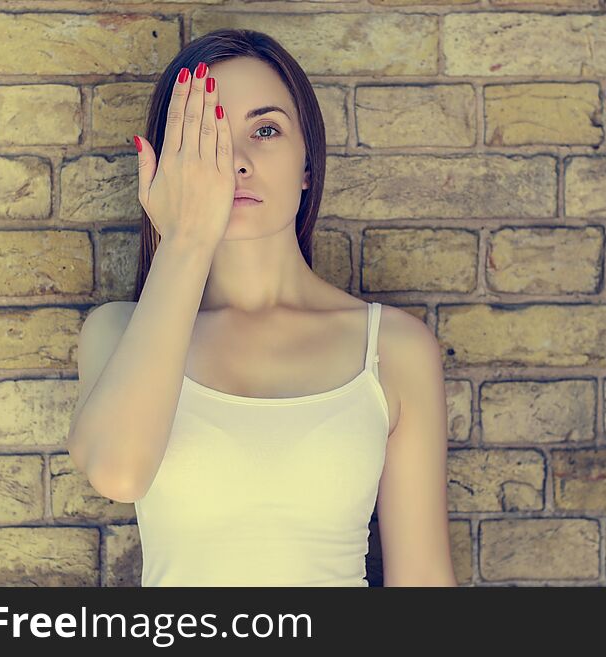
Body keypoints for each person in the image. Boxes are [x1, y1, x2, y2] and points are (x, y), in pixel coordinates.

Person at [67, 29, 457, 587]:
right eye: (208, 139)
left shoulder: (393, 348)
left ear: (307, 164)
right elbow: (119, 473)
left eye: (266, 130)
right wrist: (185, 239)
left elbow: (423, 582)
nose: (238, 162)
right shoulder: (116, 331)